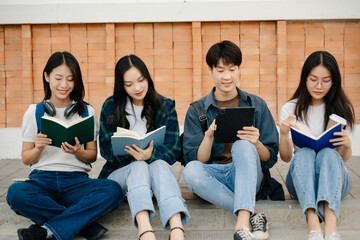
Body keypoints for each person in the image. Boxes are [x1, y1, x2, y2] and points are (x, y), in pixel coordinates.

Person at [6, 51, 123, 240]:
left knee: (113, 190)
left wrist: (78, 152)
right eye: (58, 78)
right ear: (47, 77)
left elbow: (92, 155)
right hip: (42, 180)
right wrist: (37, 148)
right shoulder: (33, 112)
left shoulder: (87, 112)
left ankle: (46, 230)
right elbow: (26, 158)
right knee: (15, 193)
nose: (64, 85)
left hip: (76, 182)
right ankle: (84, 226)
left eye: (70, 79)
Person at [182, 40, 281, 240]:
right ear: (210, 71)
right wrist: (208, 137)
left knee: (243, 145)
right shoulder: (197, 111)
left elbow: (270, 157)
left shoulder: (257, 105)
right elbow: (197, 161)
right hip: (216, 176)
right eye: (220, 70)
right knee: (190, 171)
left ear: (238, 70)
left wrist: (257, 143)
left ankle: (241, 224)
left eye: (232, 69)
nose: (227, 77)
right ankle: (254, 214)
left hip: (249, 175)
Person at [98, 54, 190, 240]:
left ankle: (177, 228)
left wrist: (151, 154)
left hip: (156, 178)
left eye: (141, 80)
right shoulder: (111, 106)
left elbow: (173, 149)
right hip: (120, 176)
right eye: (129, 84)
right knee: (139, 165)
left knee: (159, 163)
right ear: (121, 85)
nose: (137, 88)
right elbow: (106, 149)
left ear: (148, 78)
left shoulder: (164, 106)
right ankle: (145, 229)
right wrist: (133, 155)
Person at [278, 51, 354, 240]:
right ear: (305, 78)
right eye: (313, 79)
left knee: (328, 153)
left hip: (335, 180)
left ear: (334, 81)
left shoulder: (342, 108)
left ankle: (331, 226)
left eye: (326, 80)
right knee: (304, 153)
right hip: (301, 179)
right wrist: (284, 133)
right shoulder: (290, 109)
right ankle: (313, 226)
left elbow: (341, 159)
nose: (319, 86)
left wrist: (347, 144)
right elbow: (287, 158)